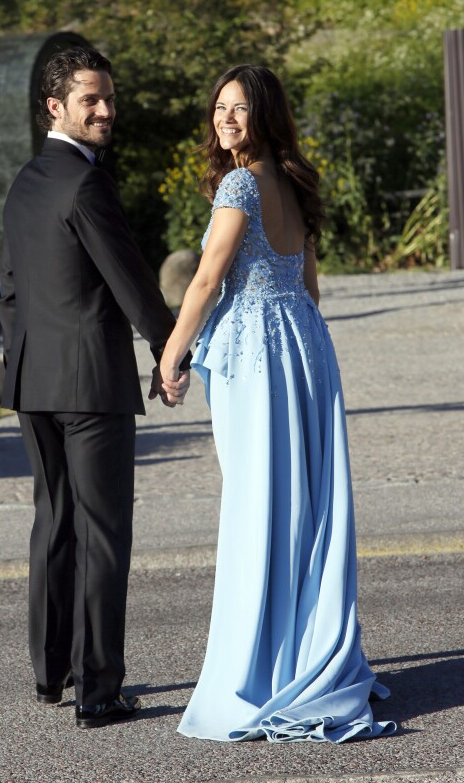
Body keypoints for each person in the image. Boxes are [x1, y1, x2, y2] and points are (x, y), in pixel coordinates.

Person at [159, 65, 396, 743]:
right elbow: (311, 286)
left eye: (240, 109)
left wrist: (172, 353)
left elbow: (207, 279)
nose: (226, 120)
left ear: (265, 116)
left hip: (259, 357)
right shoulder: (294, 183)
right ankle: (302, 653)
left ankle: (262, 670)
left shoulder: (240, 184)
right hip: (304, 345)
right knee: (303, 504)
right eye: (220, 108)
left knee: (262, 506)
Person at [0, 46, 190, 730]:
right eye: (91, 101)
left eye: (109, 97)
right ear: (55, 106)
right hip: (90, 387)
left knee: (54, 525)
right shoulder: (85, 183)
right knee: (103, 535)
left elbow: (10, 292)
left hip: (35, 382)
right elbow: (131, 279)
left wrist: (20, 366)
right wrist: (172, 351)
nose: (107, 110)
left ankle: (52, 674)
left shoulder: (25, 181)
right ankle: (99, 692)